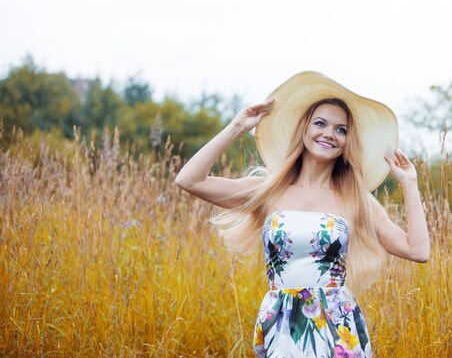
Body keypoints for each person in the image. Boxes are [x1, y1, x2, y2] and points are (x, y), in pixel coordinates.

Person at [175, 71, 430, 358]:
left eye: (341, 129)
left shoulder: (357, 201)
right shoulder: (267, 190)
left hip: (337, 328)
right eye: (320, 123)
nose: (329, 134)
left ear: (348, 142)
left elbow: (417, 250)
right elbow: (189, 180)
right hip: (282, 324)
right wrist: (236, 127)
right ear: (304, 129)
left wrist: (409, 184)